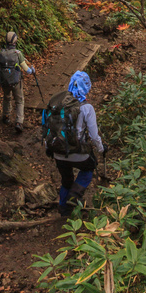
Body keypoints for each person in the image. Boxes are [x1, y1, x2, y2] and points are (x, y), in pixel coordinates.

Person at [52, 71, 106, 217]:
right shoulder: (87, 108)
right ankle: (74, 196)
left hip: (58, 151)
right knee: (89, 168)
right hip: (77, 151)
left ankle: (63, 209)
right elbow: (94, 136)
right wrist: (101, 149)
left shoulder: (58, 103)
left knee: (66, 180)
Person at [0, 30, 36, 132]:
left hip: (4, 81)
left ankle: (6, 116)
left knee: (7, 98)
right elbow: (26, 69)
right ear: (15, 41)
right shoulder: (17, 54)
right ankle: (19, 122)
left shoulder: (1, 54)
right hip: (16, 81)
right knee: (19, 100)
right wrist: (32, 70)